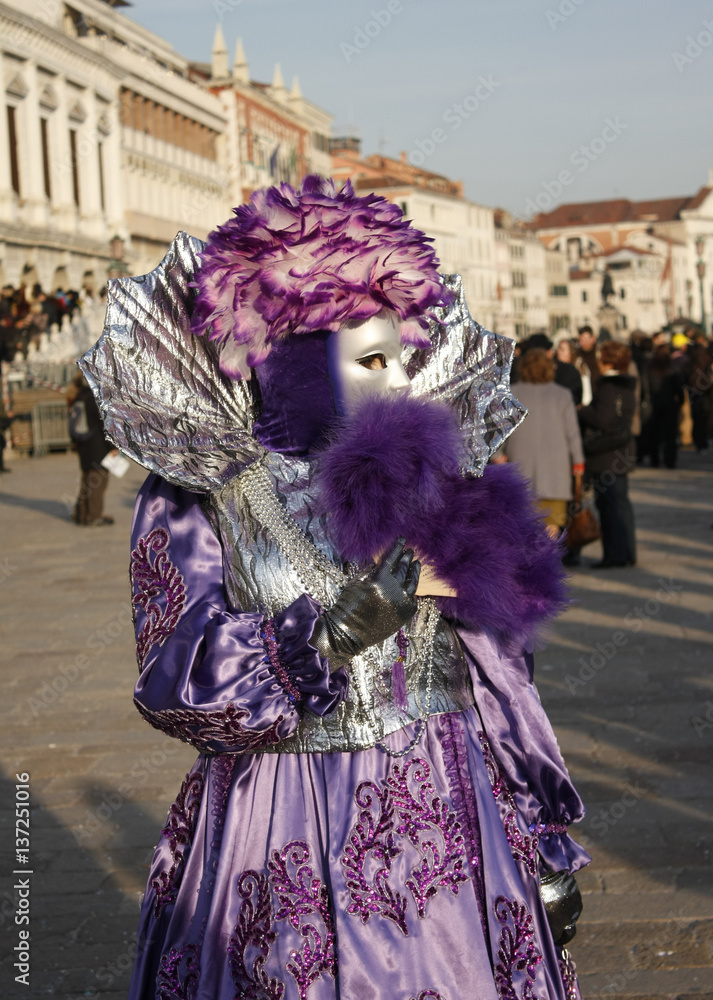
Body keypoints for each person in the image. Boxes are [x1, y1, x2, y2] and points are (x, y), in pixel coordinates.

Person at [81, 177, 589, 1000]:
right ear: (297, 362)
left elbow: (501, 683)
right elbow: (170, 676)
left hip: (447, 806)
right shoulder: (207, 490)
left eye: (403, 359)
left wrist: (543, 839)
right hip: (279, 809)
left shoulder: (431, 477)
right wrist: (324, 638)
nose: (396, 384)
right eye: (370, 361)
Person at [500, 348, 584, 538]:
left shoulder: (510, 394)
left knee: (522, 526)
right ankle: (547, 564)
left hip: (519, 468)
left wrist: (498, 455)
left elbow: (501, 430)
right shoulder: (562, 394)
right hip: (556, 472)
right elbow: (573, 433)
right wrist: (578, 461)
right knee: (551, 528)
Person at [579, 341, 637, 568]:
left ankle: (615, 555)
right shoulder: (627, 385)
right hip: (621, 453)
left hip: (605, 456)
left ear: (609, 360)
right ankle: (627, 552)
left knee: (610, 507)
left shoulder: (608, 386)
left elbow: (603, 419)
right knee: (622, 506)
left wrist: (584, 411)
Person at [67, 372, 115, 525]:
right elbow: (104, 425)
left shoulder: (79, 396)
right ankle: (93, 516)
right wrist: (112, 446)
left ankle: (81, 514)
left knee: (86, 480)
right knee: (98, 480)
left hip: (83, 445)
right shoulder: (94, 399)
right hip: (97, 446)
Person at [576, 326, 600, 405]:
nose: (585, 342)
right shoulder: (576, 357)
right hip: (584, 398)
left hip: (598, 394)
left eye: (587, 339)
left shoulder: (599, 355)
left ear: (593, 339)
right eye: (582, 339)